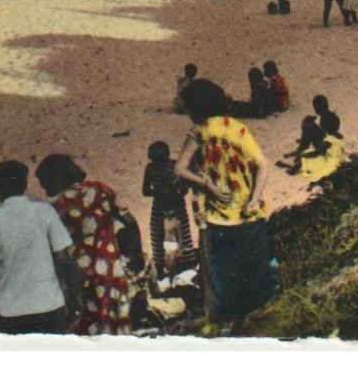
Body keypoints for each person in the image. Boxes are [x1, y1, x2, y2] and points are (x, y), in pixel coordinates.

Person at [174, 79, 276, 328]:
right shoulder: (237, 127)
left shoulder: (199, 132)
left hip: (216, 217)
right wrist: (253, 200)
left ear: (196, 108)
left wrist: (207, 185)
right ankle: (249, 325)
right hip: (248, 215)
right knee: (251, 275)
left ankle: (223, 328)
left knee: (220, 280)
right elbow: (264, 164)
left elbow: (180, 170)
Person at [0, 160, 82, 335]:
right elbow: (65, 260)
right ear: (24, 185)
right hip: (50, 308)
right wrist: (75, 303)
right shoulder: (45, 212)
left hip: (10, 314)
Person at [34, 155, 131, 335]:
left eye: (46, 184)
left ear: (56, 178)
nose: (47, 191)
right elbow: (128, 220)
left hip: (85, 276)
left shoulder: (60, 206)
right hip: (112, 268)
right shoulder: (102, 190)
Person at [141, 141, 195, 280]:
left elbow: (146, 191)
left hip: (162, 206)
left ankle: (163, 271)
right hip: (175, 206)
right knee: (182, 237)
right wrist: (173, 192)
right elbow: (186, 187)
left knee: (160, 238)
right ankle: (181, 270)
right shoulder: (174, 166)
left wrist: (160, 193)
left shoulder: (152, 168)